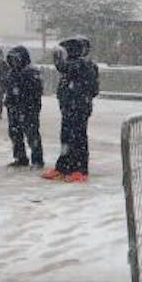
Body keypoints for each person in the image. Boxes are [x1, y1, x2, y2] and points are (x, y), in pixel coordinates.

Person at [41, 36, 99, 182]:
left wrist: (59, 61)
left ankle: (80, 169)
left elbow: (91, 88)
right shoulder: (74, 66)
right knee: (66, 137)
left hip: (79, 108)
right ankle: (63, 167)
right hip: (68, 107)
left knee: (78, 138)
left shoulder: (84, 65)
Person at [4, 46, 44, 169]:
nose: (14, 63)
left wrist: (25, 101)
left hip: (28, 109)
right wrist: (9, 102)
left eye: (16, 59)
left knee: (32, 135)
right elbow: (10, 89)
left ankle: (37, 160)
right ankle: (20, 157)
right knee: (15, 133)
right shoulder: (12, 72)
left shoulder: (31, 72)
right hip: (14, 108)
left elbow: (35, 91)